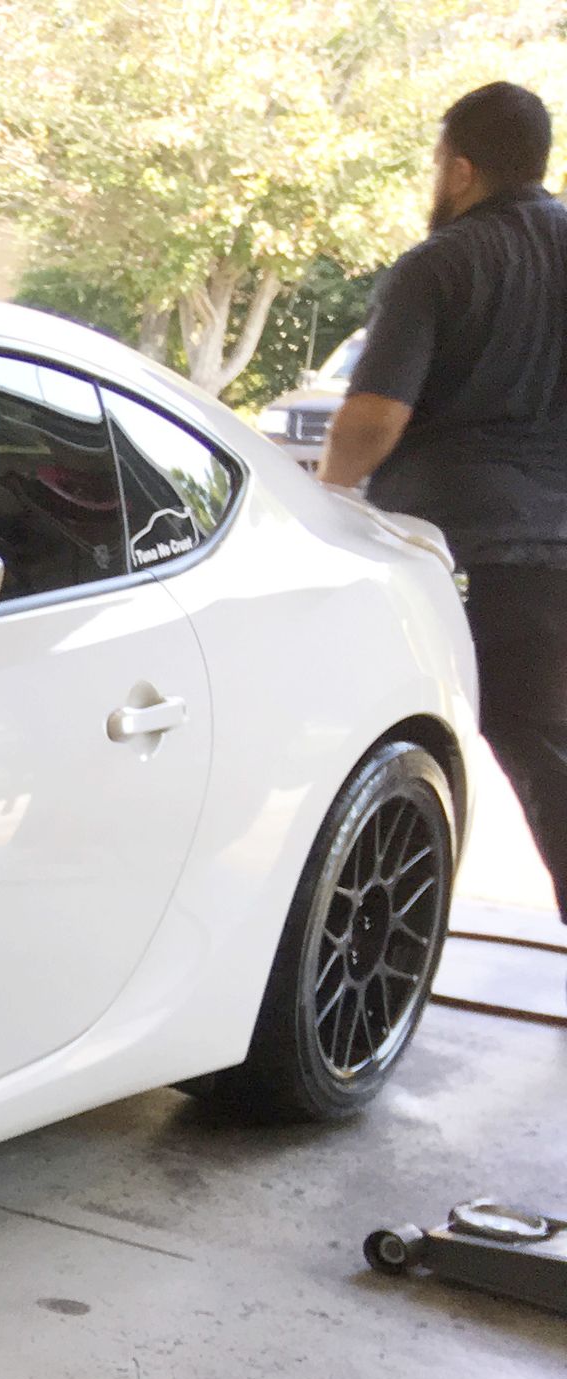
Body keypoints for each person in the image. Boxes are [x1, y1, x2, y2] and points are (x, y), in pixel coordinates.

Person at [324, 80, 567, 922]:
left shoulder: (441, 264)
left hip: (473, 552)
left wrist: (325, 495)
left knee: (518, 749)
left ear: (460, 168)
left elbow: (373, 420)